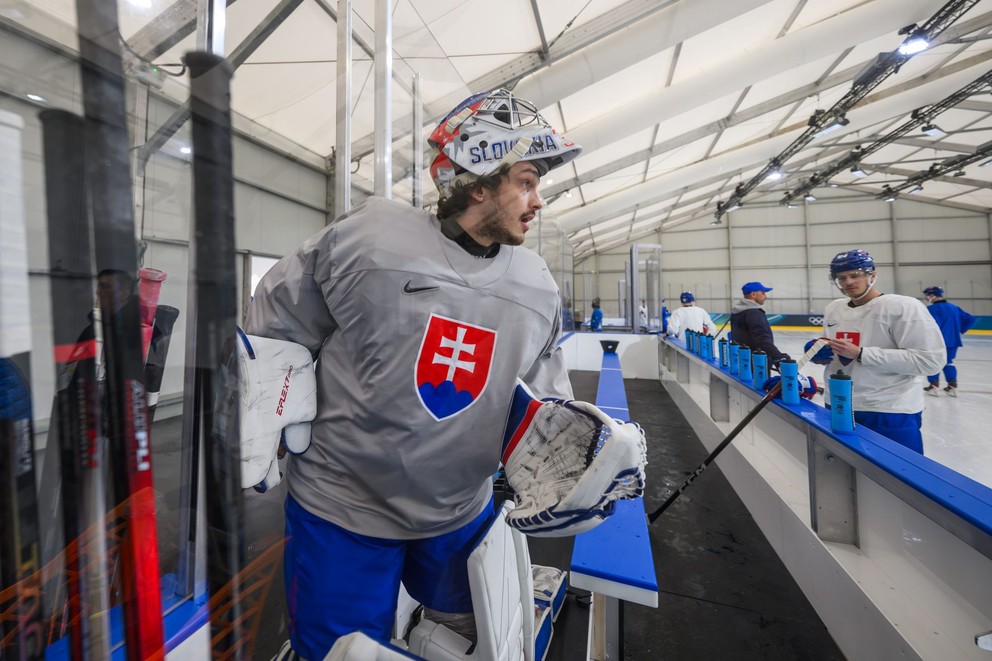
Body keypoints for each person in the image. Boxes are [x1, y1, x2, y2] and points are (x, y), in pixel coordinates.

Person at [247, 87, 582, 659]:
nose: (538, 200)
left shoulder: (536, 287)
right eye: (526, 181)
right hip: (340, 509)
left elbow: (544, 405)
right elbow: (277, 328)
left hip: (460, 511)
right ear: (479, 184)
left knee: (467, 644)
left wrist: (578, 449)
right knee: (339, 653)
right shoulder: (367, 241)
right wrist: (264, 415)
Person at [819, 249, 944, 454]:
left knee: (898, 478)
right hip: (839, 404)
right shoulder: (834, 308)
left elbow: (930, 361)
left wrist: (862, 354)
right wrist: (819, 351)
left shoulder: (903, 307)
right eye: (841, 277)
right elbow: (838, 350)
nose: (848, 282)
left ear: (872, 275)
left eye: (855, 275)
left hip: (888, 410)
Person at [922, 286, 975, 397]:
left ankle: (934, 385)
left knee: (933, 362)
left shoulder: (930, 310)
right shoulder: (954, 308)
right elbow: (970, 318)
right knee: (949, 362)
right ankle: (952, 386)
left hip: (936, 341)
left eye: (927, 295)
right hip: (953, 340)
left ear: (932, 295)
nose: (926, 298)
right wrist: (961, 330)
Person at [730, 281, 789, 364]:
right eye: (763, 293)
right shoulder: (754, 313)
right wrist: (778, 356)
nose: (766, 296)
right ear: (753, 294)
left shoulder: (737, 312)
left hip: (743, 360)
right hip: (758, 362)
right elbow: (761, 339)